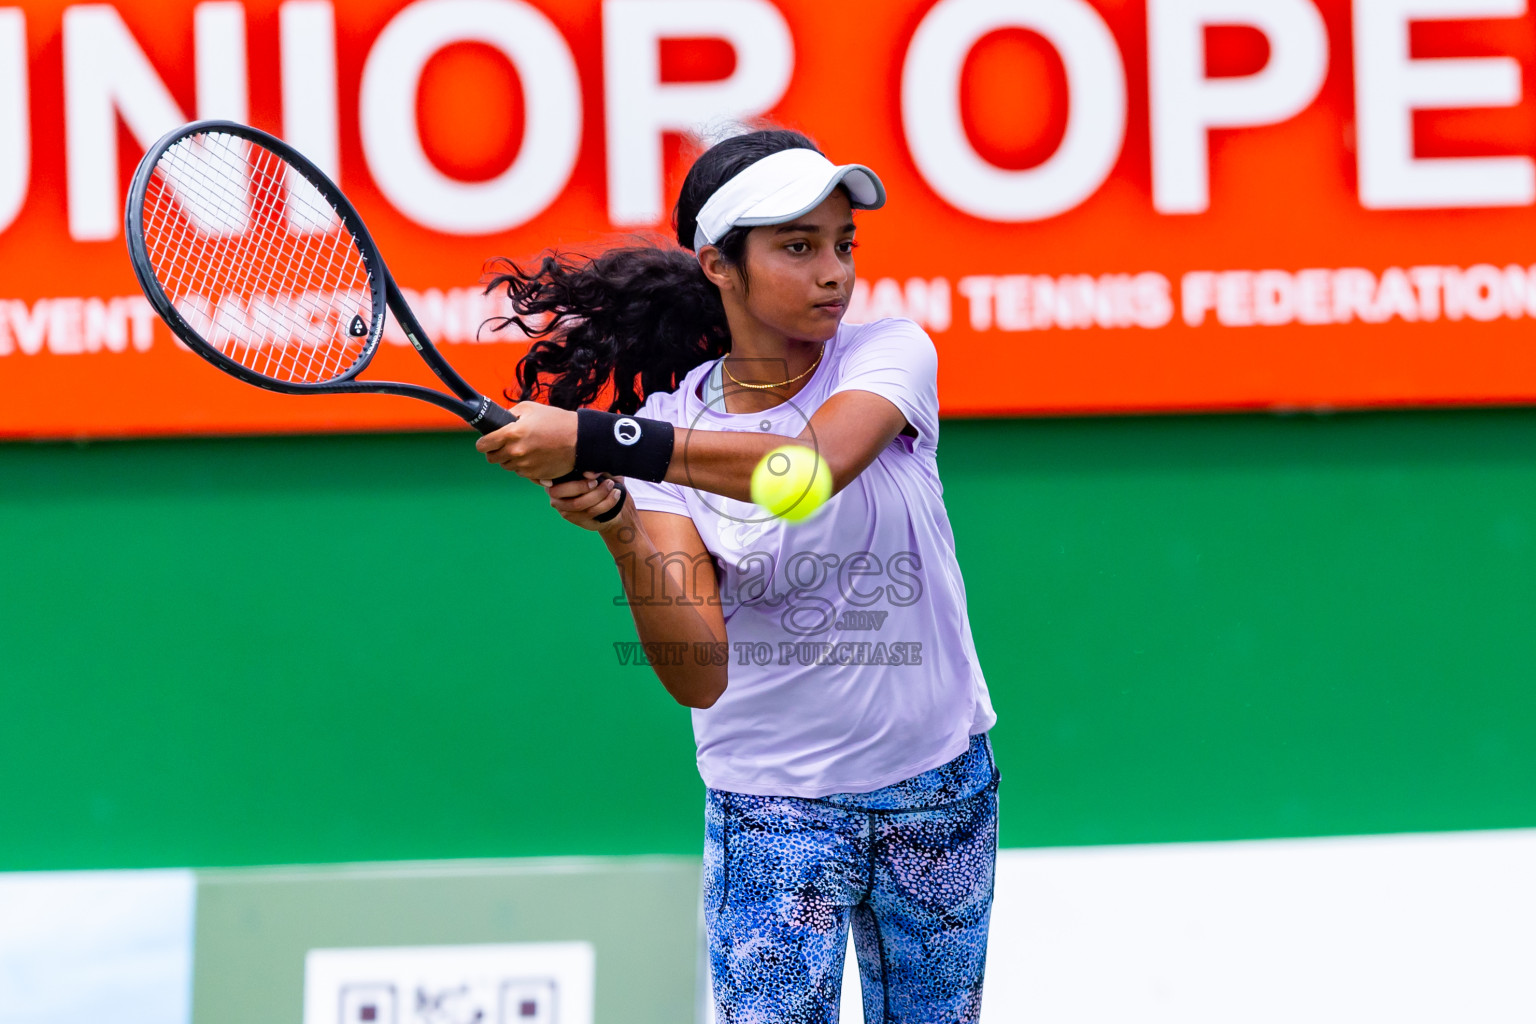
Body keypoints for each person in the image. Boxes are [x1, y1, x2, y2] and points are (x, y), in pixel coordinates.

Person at [474, 128, 999, 1024]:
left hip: (938, 787)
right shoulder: (668, 435)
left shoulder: (891, 354)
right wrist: (618, 526)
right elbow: (697, 673)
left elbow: (803, 474)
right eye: (798, 247)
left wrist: (598, 437)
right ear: (720, 265)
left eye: (843, 244)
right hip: (773, 812)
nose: (834, 271)